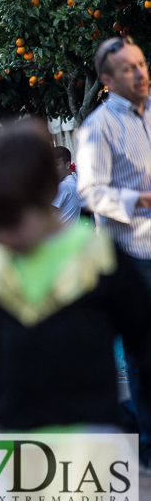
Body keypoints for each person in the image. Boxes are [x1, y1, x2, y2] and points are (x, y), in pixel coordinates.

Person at [0, 123, 151, 487]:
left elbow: (144, 341)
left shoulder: (100, 258)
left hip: (88, 428)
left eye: (11, 221)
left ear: (45, 195)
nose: (2, 235)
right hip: (18, 432)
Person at [76, 35, 151, 466]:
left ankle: (128, 418)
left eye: (141, 64)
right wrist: (141, 200)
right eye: (128, 68)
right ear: (106, 79)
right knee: (145, 354)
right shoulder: (98, 128)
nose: (139, 73)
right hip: (131, 254)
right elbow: (92, 194)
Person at [52, 146, 81, 227]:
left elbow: (44, 214)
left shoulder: (65, 186)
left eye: (57, 164)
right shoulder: (74, 182)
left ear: (67, 165)